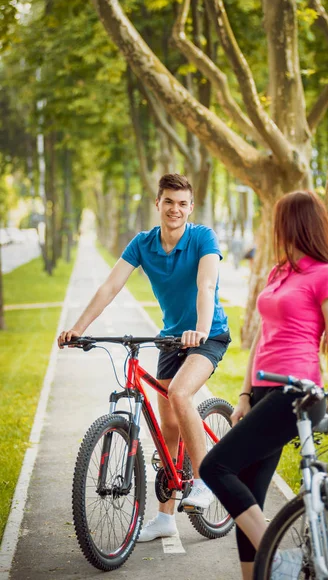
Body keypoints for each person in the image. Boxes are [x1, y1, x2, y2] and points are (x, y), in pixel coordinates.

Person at [58, 173, 230, 542]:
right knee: (168, 426)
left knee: (181, 395)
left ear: (191, 207)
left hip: (207, 334)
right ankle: (165, 518)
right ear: (158, 204)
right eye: (169, 202)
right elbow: (110, 286)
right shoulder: (143, 244)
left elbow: (207, 285)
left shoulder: (202, 238)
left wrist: (199, 328)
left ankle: (204, 481)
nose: (175, 209)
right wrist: (77, 328)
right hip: (171, 339)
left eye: (183, 203)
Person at [200, 190, 328, 580]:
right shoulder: (279, 272)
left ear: (298, 223)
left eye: (280, 220)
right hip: (265, 391)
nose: (275, 229)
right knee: (246, 496)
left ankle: (278, 555)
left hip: (298, 394)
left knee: (214, 467)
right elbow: (263, 339)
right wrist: (245, 394)